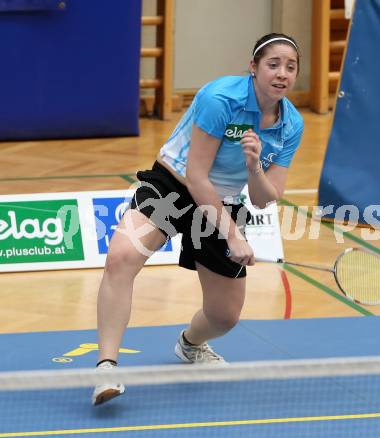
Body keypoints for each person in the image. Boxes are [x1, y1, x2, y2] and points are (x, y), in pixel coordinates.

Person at [92, 32, 304, 406]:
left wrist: (255, 167)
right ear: (253, 68)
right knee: (121, 256)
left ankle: (190, 344)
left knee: (224, 316)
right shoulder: (220, 98)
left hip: (223, 199)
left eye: (290, 67)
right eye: (273, 64)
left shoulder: (290, 125)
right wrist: (233, 236)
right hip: (173, 183)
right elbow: (196, 177)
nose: (282, 73)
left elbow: (264, 197)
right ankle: (106, 367)